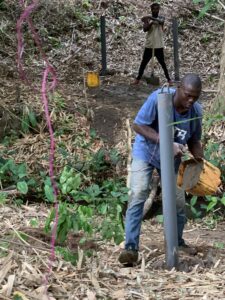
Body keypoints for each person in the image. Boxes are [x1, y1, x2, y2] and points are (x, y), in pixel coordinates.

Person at [119, 73, 203, 265]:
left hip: (173, 159)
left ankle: (177, 242)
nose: (191, 100)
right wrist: (166, 141)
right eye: (188, 95)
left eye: (195, 96)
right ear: (179, 88)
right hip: (146, 152)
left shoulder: (195, 111)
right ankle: (130, 248)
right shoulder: (159, 98)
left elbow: (194, 140)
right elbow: (138, 125)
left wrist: (201, 164)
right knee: (138, 193)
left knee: (178, 202)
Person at [134, 2, 172, 85]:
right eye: (153, 9)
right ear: (151, 9)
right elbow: (145, 29)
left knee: (162, 63)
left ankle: (169, 79)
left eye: (157, 9)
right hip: (150, 44)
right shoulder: (148, 19)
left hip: (158, 45)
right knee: (144, 62)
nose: (155, 10)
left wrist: (150, 18)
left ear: (159, 9)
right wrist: (150, 22)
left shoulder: (161, 17)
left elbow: (161, 22)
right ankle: (137, 79)